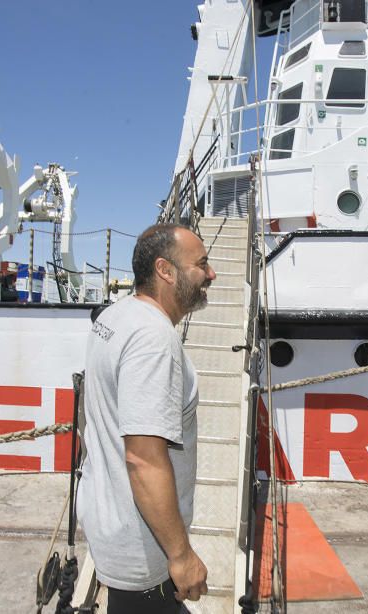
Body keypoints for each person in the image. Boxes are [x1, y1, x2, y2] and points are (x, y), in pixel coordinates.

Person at [76, 223, 216, 613]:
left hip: (112, 525)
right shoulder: (154, 339)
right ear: (165, 270)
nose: (211, 273)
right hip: (142, 550)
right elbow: (143, 457)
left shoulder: (116, 316)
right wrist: (181, 555)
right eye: (201, 264)